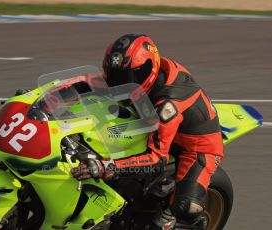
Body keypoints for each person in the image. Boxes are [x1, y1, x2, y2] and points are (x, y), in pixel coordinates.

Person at [71, 34, 223, 229]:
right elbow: (88, 82)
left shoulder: (168, 105)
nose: (119, 84)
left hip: (195, 147)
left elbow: (156, 160)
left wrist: (107, 167)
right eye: (115, 76)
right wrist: (39, 97)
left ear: (148, 69)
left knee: (186, 208)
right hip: (150, 121)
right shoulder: (139, 74)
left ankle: (186, 223)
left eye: (128, 78)